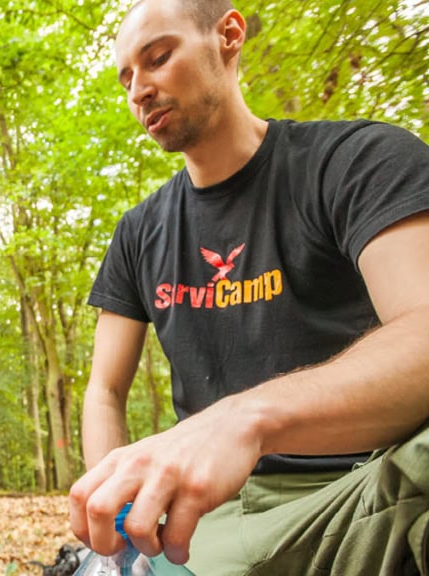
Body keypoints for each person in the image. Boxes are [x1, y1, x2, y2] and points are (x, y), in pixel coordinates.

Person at [68, 0, 429, 574]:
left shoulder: (356, 161)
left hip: (365, 488)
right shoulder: (138, 232)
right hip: (209, 518)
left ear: (229, 35)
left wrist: (247, 418)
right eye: (127, 78)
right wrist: (112, 515)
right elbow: (105, 390)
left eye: (157, 58)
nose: (139, 89)